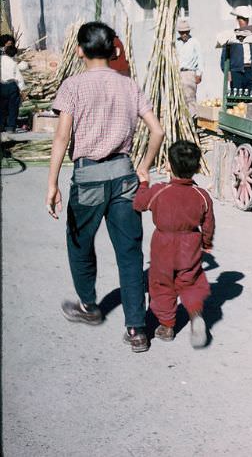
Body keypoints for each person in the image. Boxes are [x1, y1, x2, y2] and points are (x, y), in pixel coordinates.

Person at [46, 21, 165, 353]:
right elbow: (157, 132)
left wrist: (52, 183)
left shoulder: (72, 87)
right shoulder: (128, 86)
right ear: (114, 51)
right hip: (125, 177)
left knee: (80, 245)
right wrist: (142, 166)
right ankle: (137, 330)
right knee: (129, 254)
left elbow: (61, 137)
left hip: (87, 179)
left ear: (79, 50)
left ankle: (89, 306)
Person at [133, 140, 214, 348]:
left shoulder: (159, 191)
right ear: (197, 168)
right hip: (191, 245)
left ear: (168, 165)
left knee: (163, 285)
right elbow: (208, 225)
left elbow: (139, 203)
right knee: (190, 282)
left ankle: (167, 325)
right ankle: (196, 316)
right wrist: (206, 243)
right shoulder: (202, 196)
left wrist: (143, 183)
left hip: (163, 246)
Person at [221, 28, 252, 95]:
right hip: (236, 72)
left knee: (250, 96)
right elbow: (224, 57)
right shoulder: (232, 38)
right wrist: (227, 73)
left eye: (245, 20)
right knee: (236, 96)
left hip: (251, 71)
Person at [176, 18, 203, 117]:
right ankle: (183, 121)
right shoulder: (176, 43)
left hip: (189, 73)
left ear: (189, 31)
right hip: (178, 73)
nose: (184, 35)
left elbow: (200, 58)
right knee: (180, 98)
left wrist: (199, 74)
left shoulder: (194, 42)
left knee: (190, 98)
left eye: (186, 32)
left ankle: (193, 121)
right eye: (182, 32)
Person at [0, 45, 26, 133]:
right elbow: (19, 77)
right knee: (13, 107)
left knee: (2, 107)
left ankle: (1, 125)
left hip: (2, 85)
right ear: (14, 54)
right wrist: (22, 88)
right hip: (11, 86)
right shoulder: (13, 63)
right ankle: (11, 127)